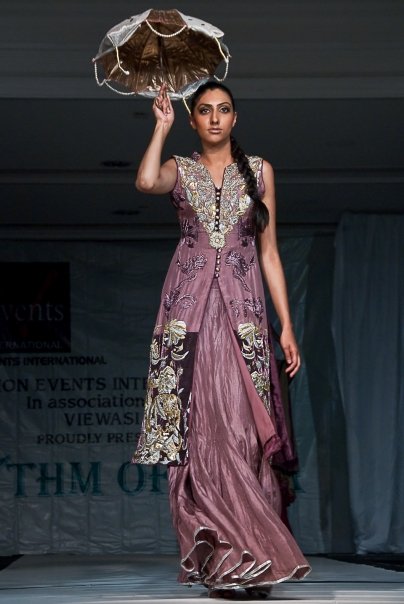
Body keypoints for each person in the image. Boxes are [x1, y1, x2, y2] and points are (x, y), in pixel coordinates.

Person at [132, 81, 311, 599]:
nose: (214, 118)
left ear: (235, 118)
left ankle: (256, 558)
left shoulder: (259, 171)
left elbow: (269, 253)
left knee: (243, 435)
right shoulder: (181, 169)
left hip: (244, 317)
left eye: (224, 109)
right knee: (200, 438)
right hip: (187, 317)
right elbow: (146, 180)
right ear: (193, 120)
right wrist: (160, 127)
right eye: (205, 111)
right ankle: (225, 566)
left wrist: (287, 326)